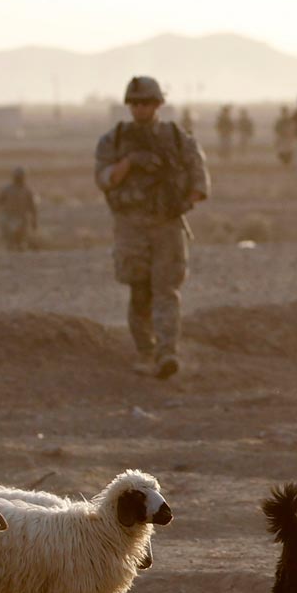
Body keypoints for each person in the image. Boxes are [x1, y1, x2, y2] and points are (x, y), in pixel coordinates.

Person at [94, 76, 210, 380]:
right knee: (139, 290)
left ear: (158, 104)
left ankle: (166, 352)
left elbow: (199, 177)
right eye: (134, 103)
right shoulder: (115, 140)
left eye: (146, 103)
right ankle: (146, 351)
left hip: (166, 225)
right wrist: (130, 162)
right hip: (131, 225)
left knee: (166, 289)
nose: (140, 109)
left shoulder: (175, 138)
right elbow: (104, 179)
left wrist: (183, 202)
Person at [0, 166, 39, 251]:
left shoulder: (28, 191)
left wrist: (34, 221)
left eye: (20, 177)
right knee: (9, 240)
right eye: (17, 177)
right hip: (8, 218)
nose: (19, 179)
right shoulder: (7, 190)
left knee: (21, 241)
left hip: (22, 218)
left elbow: (33, 207)